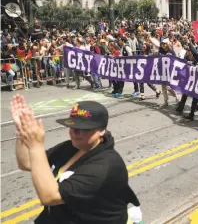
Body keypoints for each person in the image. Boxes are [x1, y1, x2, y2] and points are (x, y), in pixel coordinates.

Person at [11, 95, 141, 224]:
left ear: (101, 130)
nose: (73, 132)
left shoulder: (105, 164)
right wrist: (21, 132)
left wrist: (35, 145)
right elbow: (27, 163)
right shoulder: (70, 147)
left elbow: (50, 197)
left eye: (82, 129)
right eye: (72, 126)